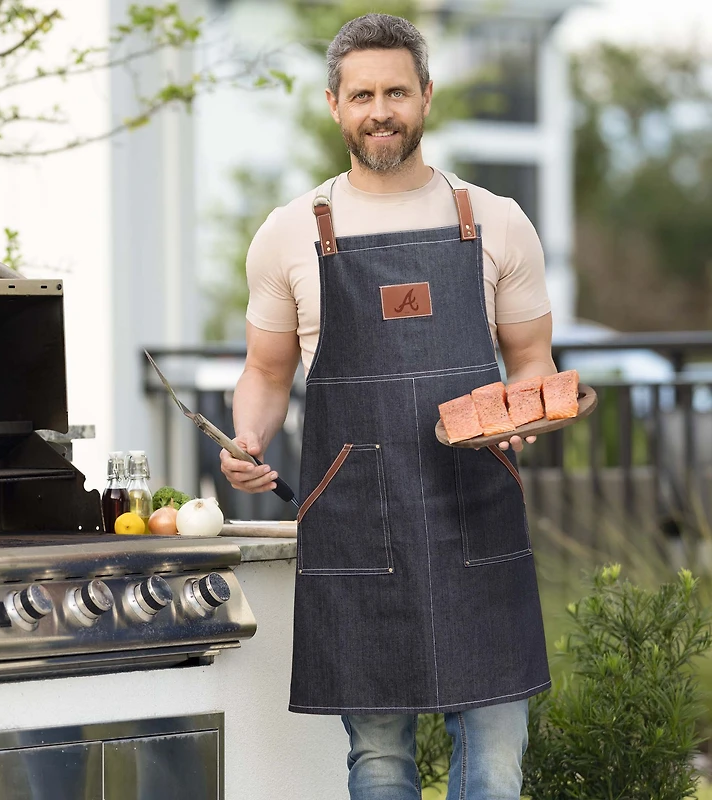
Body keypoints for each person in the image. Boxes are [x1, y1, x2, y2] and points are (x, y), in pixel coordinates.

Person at [220, 13, 555, 800]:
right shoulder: (289, 233)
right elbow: (266, 372)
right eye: (363, 93)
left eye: (397, 91)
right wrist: (246, 438)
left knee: (497, 758)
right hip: (355, 518)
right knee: (376, 760)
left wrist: (528, 414)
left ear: (426, 98)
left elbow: (534, 362)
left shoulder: (495, 219)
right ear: (334, 104)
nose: (381, 110)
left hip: (478, 502)